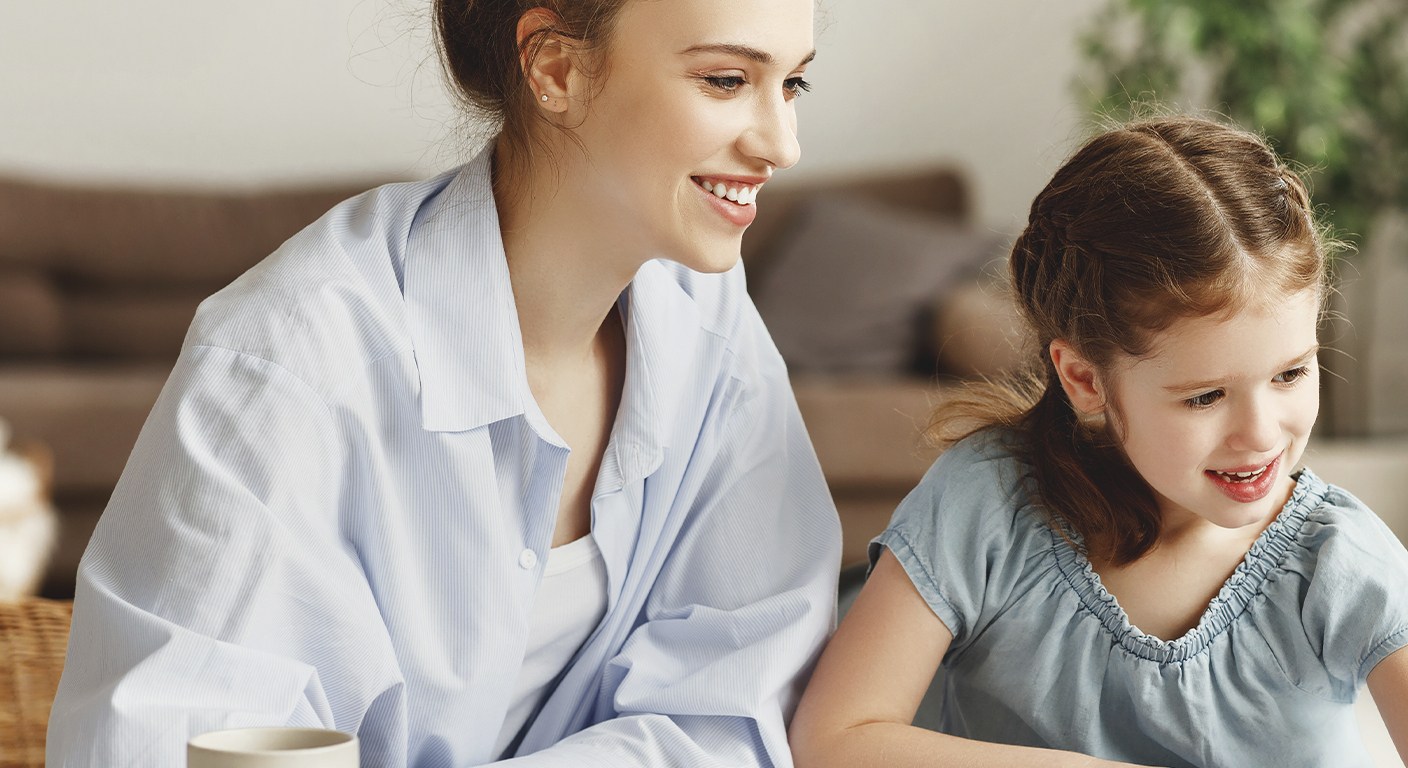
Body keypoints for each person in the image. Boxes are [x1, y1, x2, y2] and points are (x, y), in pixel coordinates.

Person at [47, 0, 838, 765]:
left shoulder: (709, 322)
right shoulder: (291, 362)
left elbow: (744, 703)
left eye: (793, 83)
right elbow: (166, 740)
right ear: (556, 67)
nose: (782, 143)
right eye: (727, 81)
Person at [789, 116, 1408, 768]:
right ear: (1085, 381)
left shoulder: (1338, 559)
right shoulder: (985, 502)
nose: (1261, 433)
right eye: (1205, 395)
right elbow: (837, 738)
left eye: (1292, 375)